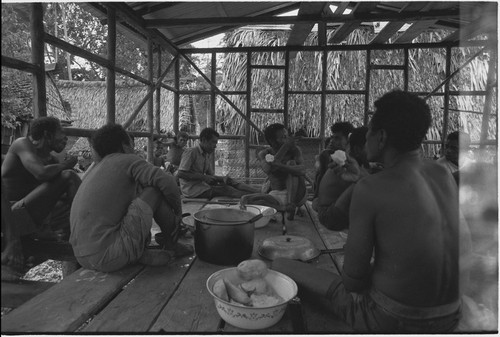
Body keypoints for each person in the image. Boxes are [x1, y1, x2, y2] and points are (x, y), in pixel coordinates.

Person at [273, 90, 471, 333]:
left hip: (392, 318)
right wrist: (361, 179)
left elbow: (353, 281)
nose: (365, 137)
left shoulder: (371, 188)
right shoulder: (441, 174)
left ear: (382, 137)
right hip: (452, 315)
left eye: (369, 131)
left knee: (282, 265)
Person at [70, 124, 192, 272]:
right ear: (124, 145)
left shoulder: (95, 168)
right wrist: (178, 213)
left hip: (82, 256)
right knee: (155, 191)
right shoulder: (127, 159)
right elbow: (167, 181)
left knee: (141, 195)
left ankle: (137, 254)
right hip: (109, 254)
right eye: (131, 143)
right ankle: (171, 244)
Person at [1, 116, 81, 241]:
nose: (65, 138)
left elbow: (49, 194)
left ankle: (73, 238)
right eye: (61, 133)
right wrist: (65, 165)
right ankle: (82, 232)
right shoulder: (22, 144)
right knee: (68, 176)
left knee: (68, 202)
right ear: (47, 135)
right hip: (9, 217)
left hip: (30, 216)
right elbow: (40, 173)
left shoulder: (52, 161)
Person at [240, 123, 307, 220]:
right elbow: (268, 169)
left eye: (287, 136)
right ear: (272, 141)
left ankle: (291, 205)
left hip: (297, 195)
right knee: (246, 200)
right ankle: (284, 208)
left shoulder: (295, 150)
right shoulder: (264, 153)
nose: (287, 139)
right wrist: (285, 147)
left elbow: (303, 171)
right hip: (276, 195)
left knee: (291, 163)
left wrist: (280, 165)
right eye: (283, 137)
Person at [314, 126, 371, 231]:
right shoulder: (345, 163)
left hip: (330, 208)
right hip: (329, 216)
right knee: (362, 185)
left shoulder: (352, 162)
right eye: (370, 146)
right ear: (358, 149)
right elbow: (370, 182)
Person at [177, 127, 259, 199]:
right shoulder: (191, 152)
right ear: (204, 140)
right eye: (213, 142)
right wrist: (204, 177)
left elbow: (210, 176)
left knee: (230, 182)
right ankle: (255, 197)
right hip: (192, 190)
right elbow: (181, 173)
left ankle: (259, 192)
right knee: (227, 189)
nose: (215, 146)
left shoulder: (206, 155)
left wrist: (223, 178)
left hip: (202, 186)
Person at [313, 122, 354, 199]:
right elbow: (320, 179)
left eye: (337, 138)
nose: (332, 141)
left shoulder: (353, 158)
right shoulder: (326, 155)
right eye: (332, 137)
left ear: (348, 140)